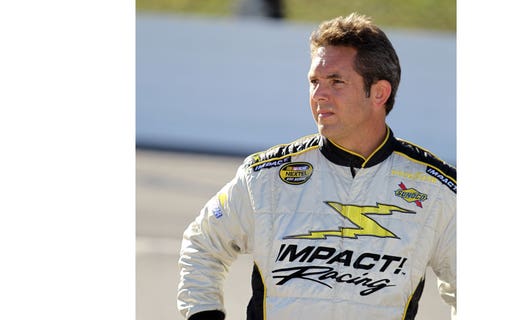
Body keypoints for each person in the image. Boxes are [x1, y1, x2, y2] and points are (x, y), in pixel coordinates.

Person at [177, 13, 456, 320]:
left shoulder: (436, 189)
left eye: (336, 81)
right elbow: (202, 243)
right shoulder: (265, 178)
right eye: (314, 81)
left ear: (379, 93)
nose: (319, 95)